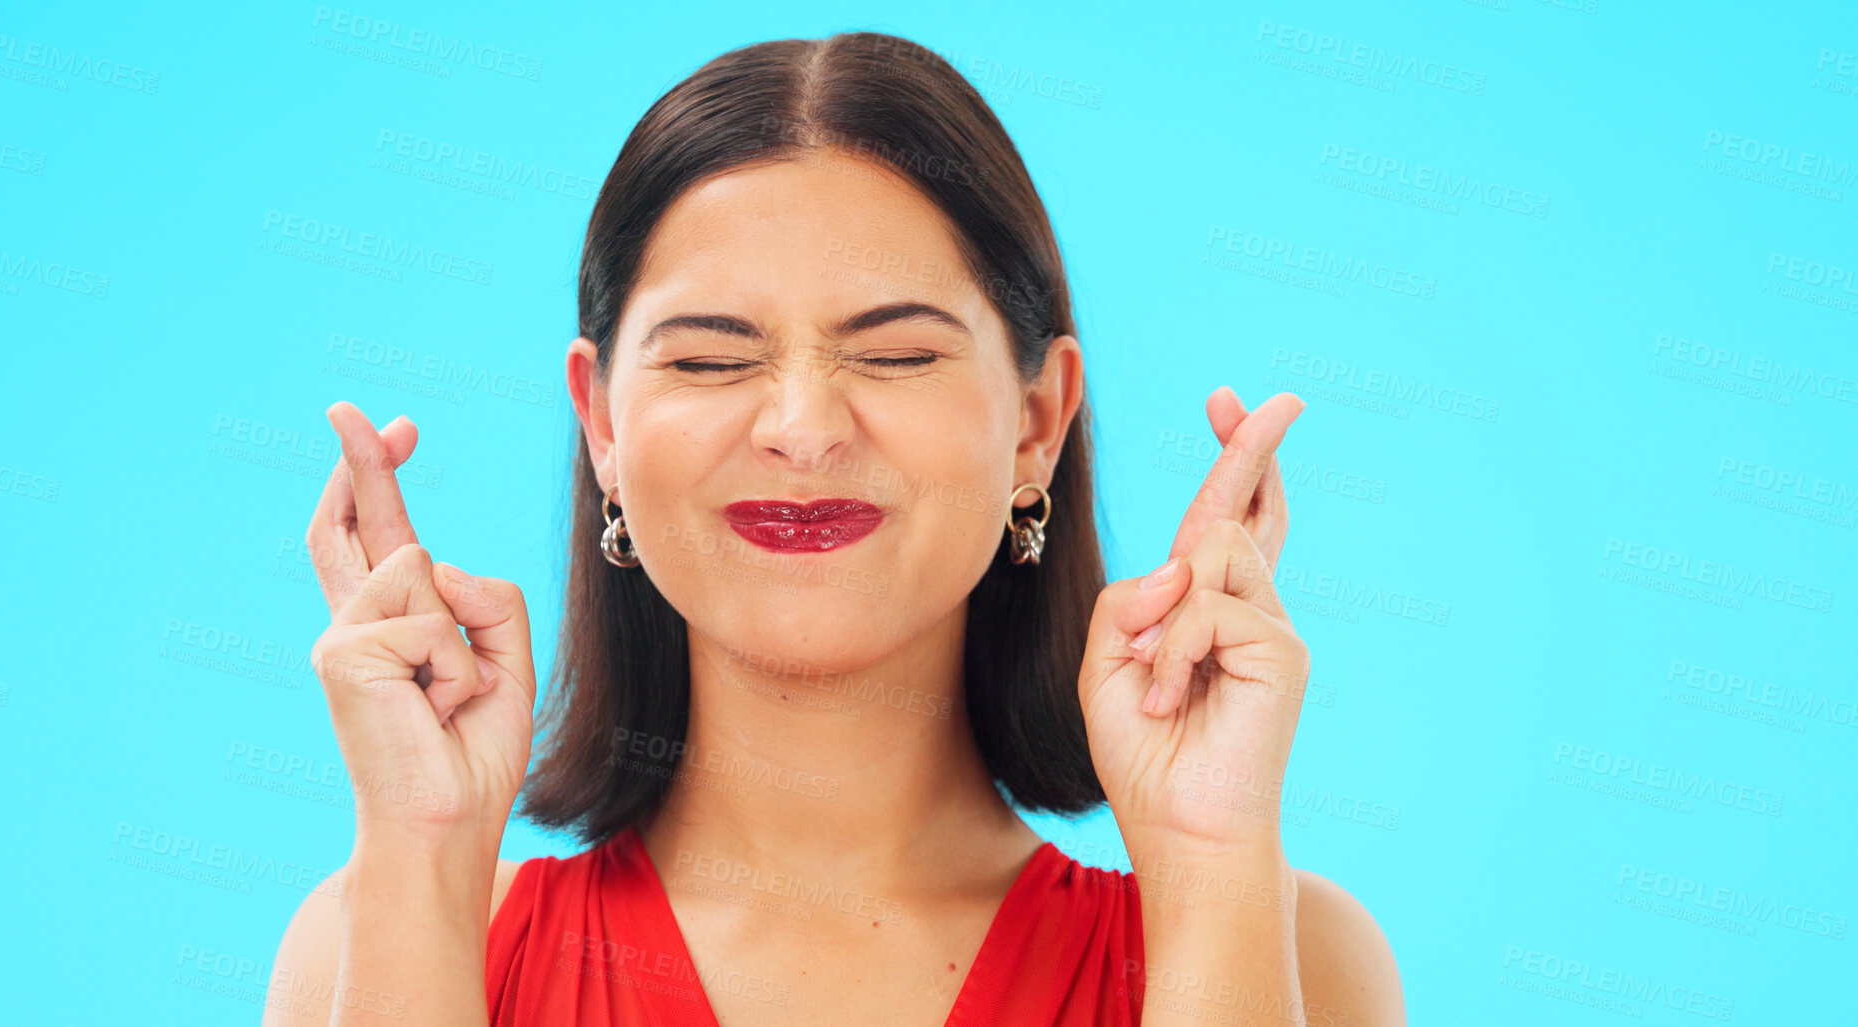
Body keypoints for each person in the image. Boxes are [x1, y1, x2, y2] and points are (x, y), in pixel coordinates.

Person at [264, 30, 1403, 1027]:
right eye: (712, 358)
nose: (802, 432)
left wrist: (1212, 863)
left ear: (1036, 421)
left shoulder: (1288, 949)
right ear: (603, 423)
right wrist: (419, 849)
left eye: (897, 354)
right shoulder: (381, 934)